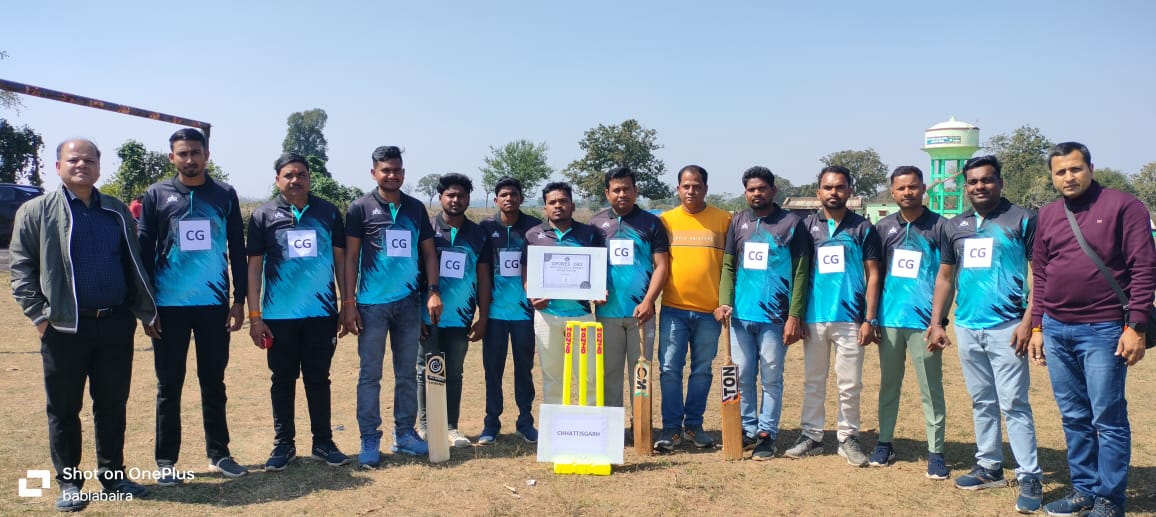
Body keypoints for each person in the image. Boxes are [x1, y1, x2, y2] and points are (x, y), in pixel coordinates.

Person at [10, 139, 155, 511]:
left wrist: (141, 311)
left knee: (112, 405)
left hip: (115, 324)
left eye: (89, 160)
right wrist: (41, 318)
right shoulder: (36, 211)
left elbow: (133, 264)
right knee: (63, 408)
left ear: (99, 167)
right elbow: (21, 270)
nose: (81, 165)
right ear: (58, 166)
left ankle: (113, 476)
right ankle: (69, 483)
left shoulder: (116, 210)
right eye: (73, 159)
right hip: (64, 329)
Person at [1028, 142, 1155, 517]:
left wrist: (1136, 326)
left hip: (1104, 329)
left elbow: (1144, 268)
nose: (1068, 177)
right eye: (1060, 172)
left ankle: (1110, 500)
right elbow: (1041, 273)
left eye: (1075, 169)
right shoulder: (1048, 214)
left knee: (1107, 418)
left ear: (1090, 168)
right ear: (1052, 177)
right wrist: (1037, 327)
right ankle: (1083, 490)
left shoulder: (1123, 206)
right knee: (1073, 417)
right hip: (1056, 328)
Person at [927, 156, 1042, 512]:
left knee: (1014, 403)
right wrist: (937, 322)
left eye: (987, 180)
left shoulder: (1022, 218)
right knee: (982, 400)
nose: (980, 186)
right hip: (967, 326)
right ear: (966, 187)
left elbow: (1040, 274)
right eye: (973, 181)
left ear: (1000, 183)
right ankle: (989, 466)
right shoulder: (955, 225)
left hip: (1009, 327)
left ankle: (1029, 475)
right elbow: (945, 277)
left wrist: (1030, 322)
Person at [139, 128, 249, 481]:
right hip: (167, 306)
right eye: (183, 153)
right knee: (168, 386)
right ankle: (166, 462)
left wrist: (239, 300)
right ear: (172, 157)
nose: (190, 159)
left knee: (213, 381)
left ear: (207, 155)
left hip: (213, 305)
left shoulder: (224, 195)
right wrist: (147, 307)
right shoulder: (157, 194)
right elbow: (144, 251)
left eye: (195, 153)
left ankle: (220, 454)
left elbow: (238, 249)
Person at [246, 153, 350, 471]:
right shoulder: (263, 215)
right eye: (288, 175)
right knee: (282, 380)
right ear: (277, 179)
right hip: (278, 317)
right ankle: (284, 444)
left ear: (309, 178)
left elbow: (341, 261)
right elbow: (254, 268)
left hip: (321, 314)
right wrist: (255, 317)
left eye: (301, 174)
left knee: (318, 379)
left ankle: (323, 442)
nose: (295, 180)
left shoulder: (328, 212)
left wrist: (347, 304)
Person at [342, 145, 442, 469]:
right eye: (386, 170)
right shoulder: (360, 208)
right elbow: (351, 258)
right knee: (370, 375)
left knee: (407, 374)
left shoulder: (415, 208)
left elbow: (429, 253)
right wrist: (348, 302)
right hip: (371, 306)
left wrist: (433, 291)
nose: (392, 175)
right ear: (374, 173)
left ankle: (405, 434)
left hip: (409, 303)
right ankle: (369, 437)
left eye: (397, 170)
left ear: (403, 172)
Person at [785, 165, 881, 468]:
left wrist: (869, 319)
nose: (834, 192)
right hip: (814, 317)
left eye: (840, 187)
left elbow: (873, 274)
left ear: (850, 191)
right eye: (828, 187)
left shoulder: (863, 228)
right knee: (813, 380)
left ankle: (847, 437)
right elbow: (799, 273)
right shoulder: (806, 227)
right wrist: (797, 315)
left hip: (851, 318)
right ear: (818, 192)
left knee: (849, 383)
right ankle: (812, 436)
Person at [713, 166, 811, 461]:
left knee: (771, 378)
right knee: (743, 376)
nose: (756, 193)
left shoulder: (792, 223)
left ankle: (767, 434)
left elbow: (801, 272)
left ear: (773, 190)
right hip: (740, 317)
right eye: (751, 189)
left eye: (762, 188)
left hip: (775, 319)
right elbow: (728, 265)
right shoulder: (738, 221)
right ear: (746, 192)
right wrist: (724, 302)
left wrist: (794, 315)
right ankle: (748, 429)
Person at [871, 166, 951, 479]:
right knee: (889, 385)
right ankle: (884, 442)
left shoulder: (940, 226)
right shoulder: (883, 227)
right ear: (893, 192)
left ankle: (936, 452)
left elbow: (947, 278)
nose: (907, 192)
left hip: (925, 324)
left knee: (931, 388)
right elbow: (875, 274)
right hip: (890, 321)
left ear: (923, 188)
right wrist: (873, 317)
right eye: (901, 188)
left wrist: (939, 321)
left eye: (913, 186)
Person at [655, 165, 732, 452]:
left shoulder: (724, 220)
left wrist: (724, 302)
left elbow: (730, 266)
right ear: (678, 189)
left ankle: (694, 426)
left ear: (706, 188)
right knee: (669, 369)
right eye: (686, 186)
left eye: (697, 186)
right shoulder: (666, 221)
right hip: (673, 309)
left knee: (701, 370)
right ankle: (671, 428)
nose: (691, 191)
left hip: (710, 312)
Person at [589, 166, 670, 427]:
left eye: (627, 189)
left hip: (641, 314)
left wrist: (648, 302)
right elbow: (588, 264)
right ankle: (612, 428)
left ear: (636, 191)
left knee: (641, 374)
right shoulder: (595, 224)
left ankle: (641, 427)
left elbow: (662, 266)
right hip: (607, 313)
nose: (622, 194)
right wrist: (593, 291)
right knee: (609, 374)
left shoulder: (651, 223)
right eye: (616, 190)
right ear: (607, 193)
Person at [416, 173, 491, 448]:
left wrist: (483, 317)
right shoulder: (426, 229)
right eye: (450, 195)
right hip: (427, 316)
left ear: (468, 199)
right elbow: (414, 272)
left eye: (461, 195)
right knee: (425, 370)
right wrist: (414, 315)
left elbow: (483, 277)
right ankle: (425, 426)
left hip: (461, 317)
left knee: (454, 372)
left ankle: (450, 426)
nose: (456, 200)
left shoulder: (478, 234)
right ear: (440, 198)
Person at [524, 182, 605, 407]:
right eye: (552, 202)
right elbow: (526, 271)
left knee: (589, 376)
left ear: (573, 205)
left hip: (582, 316)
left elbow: (599, 270)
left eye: (563, 201)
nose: (558, 206)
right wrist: (532, 295)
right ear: (545, 208)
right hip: (547, 315)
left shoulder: (589, 234)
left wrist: (600, 290)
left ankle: (588, 423)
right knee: (552, 376)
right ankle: (556, 424)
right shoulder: (533, 235)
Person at [478, 177, 542, 444]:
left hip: (525, 314)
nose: (509, 199)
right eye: (503, 195)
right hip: (495, 314)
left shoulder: (535, 228)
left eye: (513, 194)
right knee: (492, 370)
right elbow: (480, 271)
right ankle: (491, 423)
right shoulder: (485, 228)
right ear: (496, 200)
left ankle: (525, 422)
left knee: (524, 369)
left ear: (521, 198)